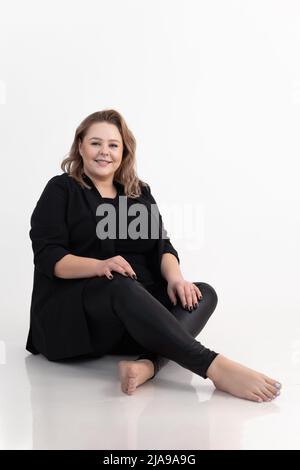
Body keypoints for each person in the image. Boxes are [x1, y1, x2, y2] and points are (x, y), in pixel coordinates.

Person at [26, 109, 282, 402]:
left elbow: (162, 246)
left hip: (135, 319)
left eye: (113, 145)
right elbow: (49, 256)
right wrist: (100, 266)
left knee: (201, 293)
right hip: (78, 319)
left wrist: (176, 279)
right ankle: (212, 366)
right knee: (119, 284)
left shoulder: (137, 192)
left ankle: (147, 364)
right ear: (80, 145)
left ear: (123, 151)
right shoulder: (61, 189)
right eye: (96, 143)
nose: (104, 152)